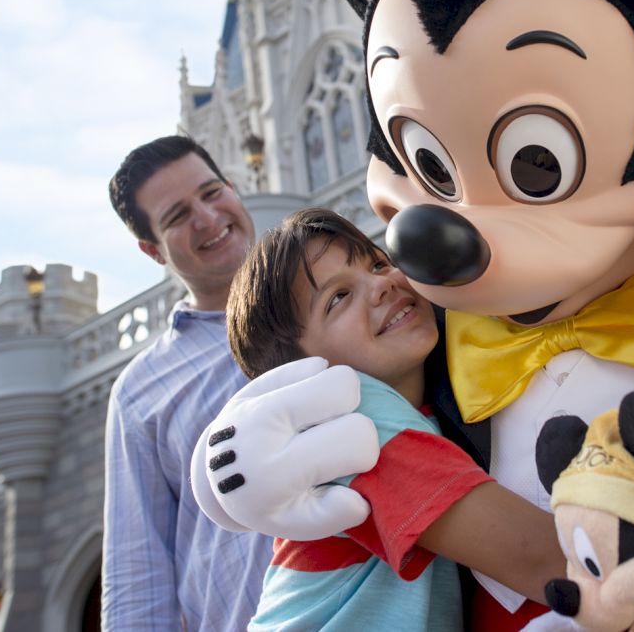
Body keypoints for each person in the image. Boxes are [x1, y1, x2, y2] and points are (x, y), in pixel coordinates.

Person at [221, 207, 565, 630]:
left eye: (378, 263)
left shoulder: (418, 406)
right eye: (338, 298)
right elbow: (541, 559)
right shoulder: (350, 419)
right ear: (298, 372)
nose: (383, 285)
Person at [102, 135, 272, 630]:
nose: (207, 218)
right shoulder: (141, 391)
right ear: (152, 249)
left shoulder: (337, 293)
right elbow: (137, 568)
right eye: (177, 216)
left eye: (212, 192)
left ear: (234, 189)